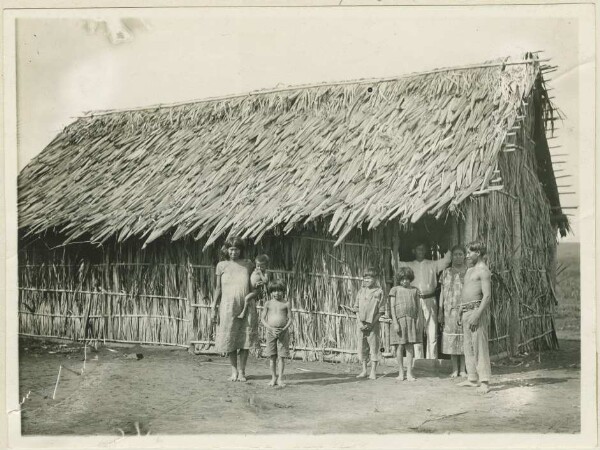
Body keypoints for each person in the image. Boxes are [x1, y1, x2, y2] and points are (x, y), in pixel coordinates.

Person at [211, 237, 258, 382]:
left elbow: (254, 287)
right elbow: (218, 288)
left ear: (241, 250)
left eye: (237, 249)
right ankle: (233, 372)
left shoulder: (248, 265)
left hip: (245, 306)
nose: (234, 252)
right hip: (227, 306)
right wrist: (214, 306)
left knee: (244, 339)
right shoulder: (221, 265)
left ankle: (242, 371)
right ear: (226, 250)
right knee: (230, 339)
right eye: (231, 249)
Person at [399, 242, 451, 359]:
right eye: (418, 249)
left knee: (432, 331)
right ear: (414, 251)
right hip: (416, 299)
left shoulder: (432, 264)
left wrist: (448, 245)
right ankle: (419, 361)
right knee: (417, 331)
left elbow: (447, 260)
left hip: (430, 299)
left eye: (423, 249)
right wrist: (395, 246)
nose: (421, 252)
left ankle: (432, 361)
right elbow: (395, 262)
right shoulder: (409, 265)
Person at [458, 241, 492, 394]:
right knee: (468, 346)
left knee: (479, 346)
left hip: (476, 311)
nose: (466, 256)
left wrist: (477, 315)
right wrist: (461, 310)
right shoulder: (469, 270)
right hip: (466, 311)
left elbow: (487, 296)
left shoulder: (483, 271)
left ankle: (484, 381)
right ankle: (472, 378)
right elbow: (466, 291)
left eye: (469, 253)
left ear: (477, 253)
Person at [439, 245, 468, 378]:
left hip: (465, 309)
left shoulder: (469, 272)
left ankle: (463, 369)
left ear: (464, 256)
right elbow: (442, 293)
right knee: (451, 339)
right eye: (455, 254)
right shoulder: (445, 272)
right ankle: (455, 369)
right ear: (452, 257)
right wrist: (440, 310)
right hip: (449, 310)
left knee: (464, 338)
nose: (458, 257)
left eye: (460, 254)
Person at [351, 267, 385, 380]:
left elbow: (381, 311)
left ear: (375, 279)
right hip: (361, 324)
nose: (366, 281)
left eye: (369, 278)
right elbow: (355, 308)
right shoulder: (361, 291)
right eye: (365, 279)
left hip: (373, 325)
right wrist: (360, 322)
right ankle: (364, 370)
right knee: (362, 347)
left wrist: (372, 324)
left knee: (374, 347)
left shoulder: (379, 292)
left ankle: (373, 372)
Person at [389, 267, 422, 381]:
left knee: (409, 346)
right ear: (399, 279)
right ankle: (400, 372)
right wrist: (395, 322)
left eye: (407, 279)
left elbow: (418, 308)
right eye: (402, 279)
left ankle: (409, 373)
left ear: (410, 279)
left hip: (411, 320)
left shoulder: (415, 290)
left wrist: (417, 321)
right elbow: (392, 307)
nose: (405, 281)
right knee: (400, 346)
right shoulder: (395, 290)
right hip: (399, 321)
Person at [261, 280, 292, 387]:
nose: (277, 293)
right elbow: (262, 319)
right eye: (274, 291)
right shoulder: (268, 304)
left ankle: (280, 379)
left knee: (282, 356)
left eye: (279, 291)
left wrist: (284, 329)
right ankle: (273, 378)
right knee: (272, 356)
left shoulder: (286, 303)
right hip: (271, 332)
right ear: (270, 292)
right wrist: (271, 329)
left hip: (283, 332)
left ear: (283, 291)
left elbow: (290, 319)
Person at [238, 254, 270, 319]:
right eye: (258, 266)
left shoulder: (265, 272)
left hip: (256, 290)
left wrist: (261, 274)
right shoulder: (253, 270)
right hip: (249, 288)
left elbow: (266, 281)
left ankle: (243, 313)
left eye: (262, 267)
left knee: (247, 298)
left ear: (266, 266)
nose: (259, 268)